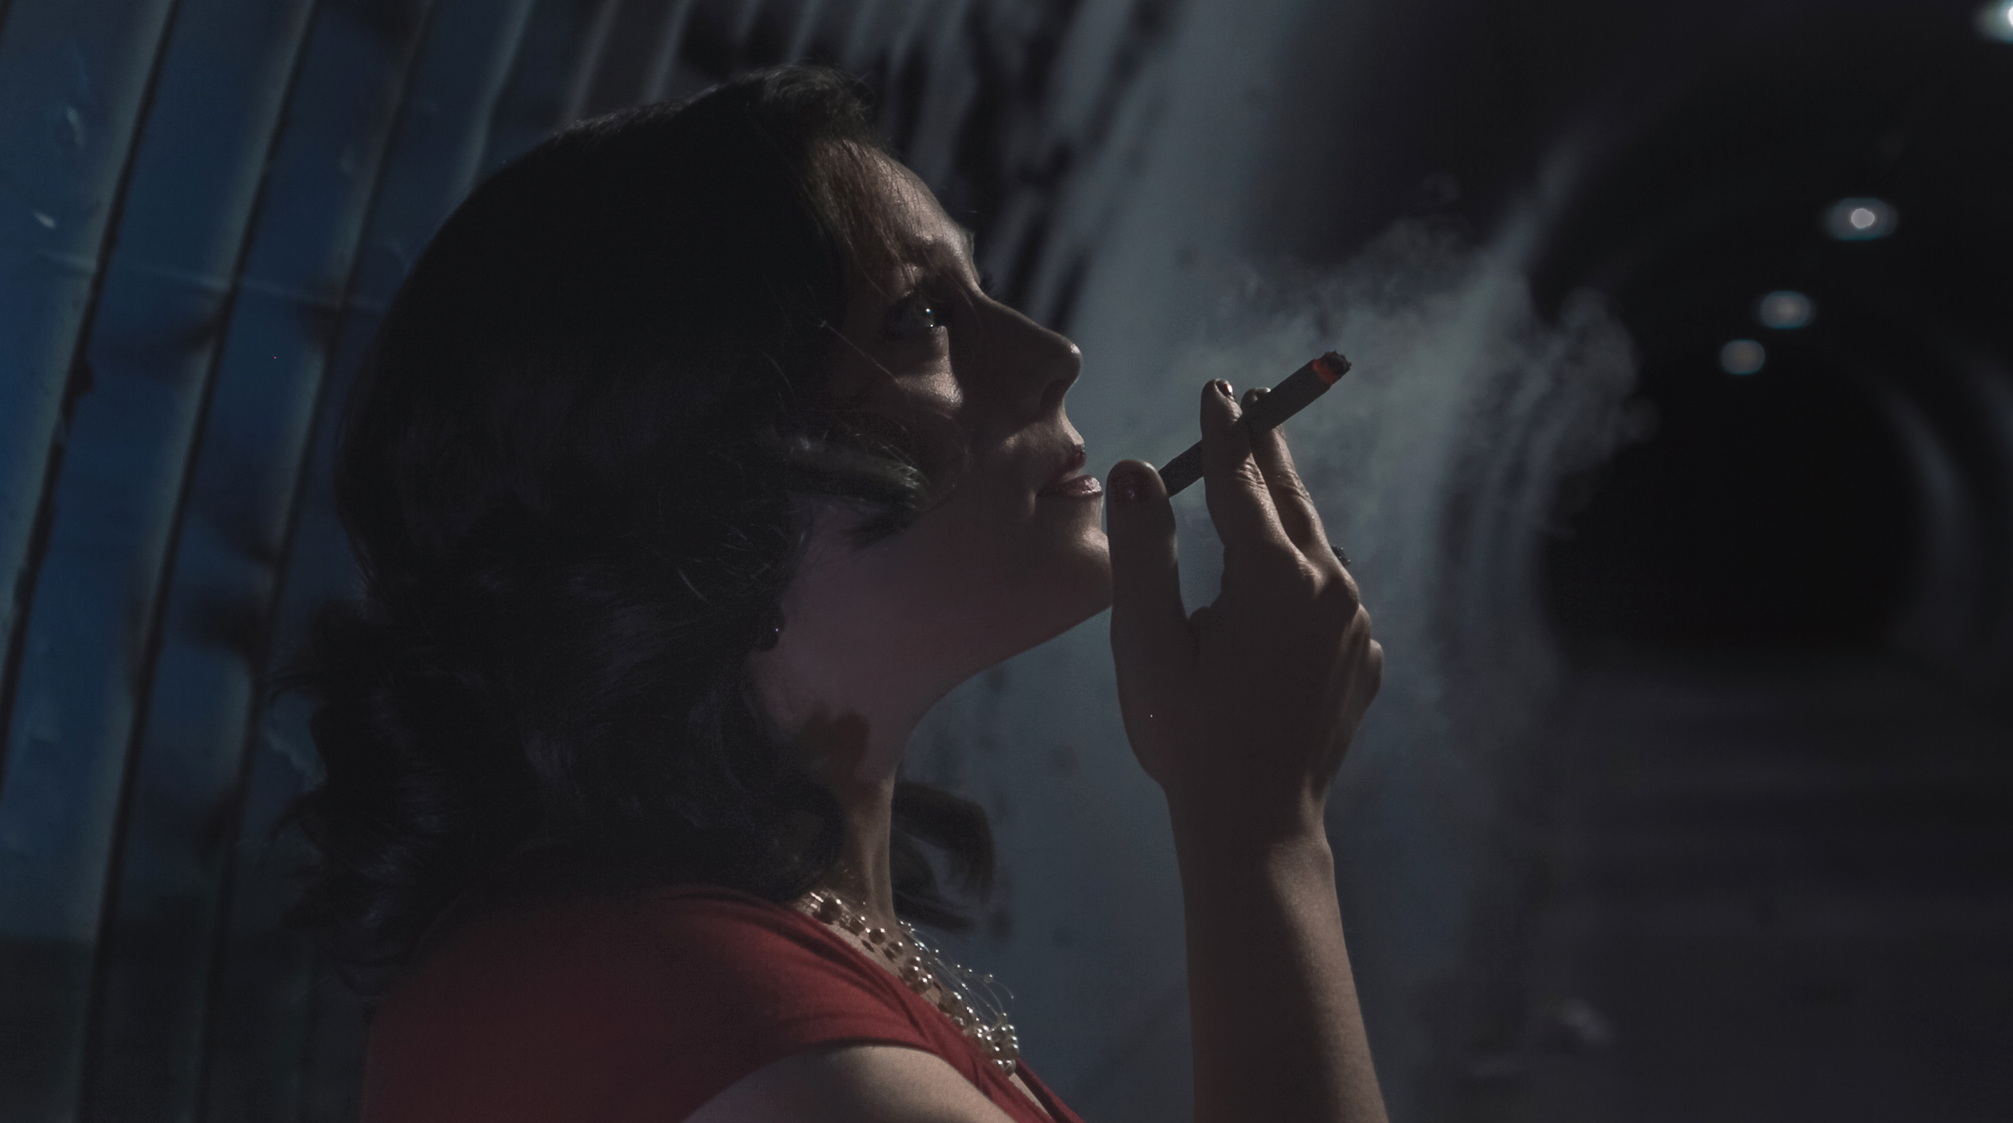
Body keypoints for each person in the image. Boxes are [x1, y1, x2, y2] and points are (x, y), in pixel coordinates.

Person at [285, 65, 1388, 1123]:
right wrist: (1261, 825)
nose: (1054, 353)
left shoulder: (731, 963)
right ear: (698, 482)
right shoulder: (660, 1002)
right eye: (919, 316)